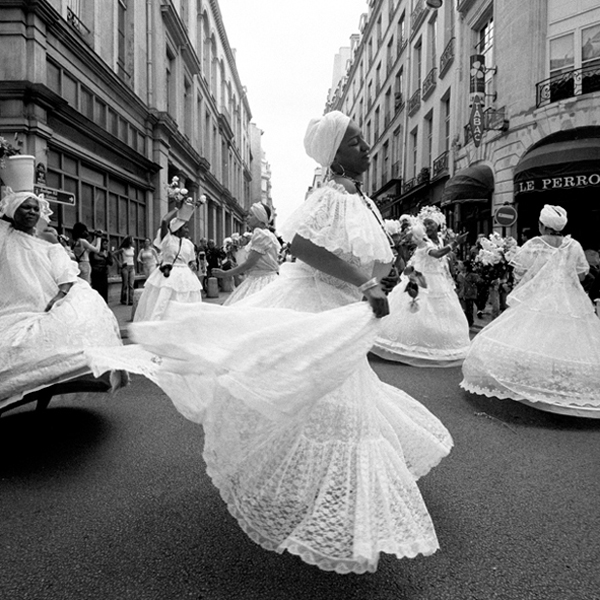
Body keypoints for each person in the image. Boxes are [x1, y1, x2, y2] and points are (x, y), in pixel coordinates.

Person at [96, 111, 452, 574]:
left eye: (364, 141)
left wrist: (388, 278)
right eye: (355, 143)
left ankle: (321, 489)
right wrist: (365, 285)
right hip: (321, 303)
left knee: (327, 393)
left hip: (344, 307)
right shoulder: (333, 194)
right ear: (334, 156)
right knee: (328, 394)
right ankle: (336, 505)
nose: (366, 148)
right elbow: (304, 246)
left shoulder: (356, 195)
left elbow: (360, 253)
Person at [461, 205, 600, 416]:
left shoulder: (535, 244)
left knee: (531, 335)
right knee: (566, 340)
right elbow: (581, 275)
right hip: (570, 299)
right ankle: (560, 383)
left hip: (539, 296)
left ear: (542, 225)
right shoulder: (574, 245)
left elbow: (520, 271)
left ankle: (532, 380)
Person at [0, 190, 125, 407]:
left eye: (35, 207)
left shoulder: (46, 236)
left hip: (47, 299)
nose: (31, 211)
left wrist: (61, 294)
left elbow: (63, 269)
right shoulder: (4, 235)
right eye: (25, 207)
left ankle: (42, 404)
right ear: (13, 210)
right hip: (14, 303)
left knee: (58, 345)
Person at [371, 206, 471, 367]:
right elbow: (436, 254)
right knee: (416, 310)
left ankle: (439, 344)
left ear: (438, 225)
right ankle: (410, 345)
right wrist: (455, 243)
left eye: (431, 223)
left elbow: (443, 261)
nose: (428, 226)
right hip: (421, 279)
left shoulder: (440, 240)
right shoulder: (422, 240)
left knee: (441, 313)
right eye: (426, 223)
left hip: (438, 281)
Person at [133, 210, 203, 322]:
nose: (187, 230)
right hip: (169, 273)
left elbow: (191, 260)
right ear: (178, 229)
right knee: (164, 300)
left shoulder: (188, 243)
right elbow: (165, 221)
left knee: (186, 301)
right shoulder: (168, 239)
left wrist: (193, 264)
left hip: (186, 276)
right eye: (185, 227)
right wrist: (178, 209)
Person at [212, 202, 281, 305]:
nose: (247, 218)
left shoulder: (261, 234)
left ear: (259, 217)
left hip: (261, 280)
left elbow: (249, 263)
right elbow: (255, 263)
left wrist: (225, 273)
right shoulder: (266, 234)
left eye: (251, 215)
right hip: (262, 278)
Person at [90, 237, 114, 303]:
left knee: (103, 291)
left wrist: (105, 257)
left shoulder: (107, 253)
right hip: (95, 274)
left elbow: (111, 262)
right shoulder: (93, 253)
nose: (106, 246)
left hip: (103, 274)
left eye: (107, 244)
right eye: (104, 244)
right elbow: (91, 262)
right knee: (96, 290)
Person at [114, 236, 136, 305]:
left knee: (131, 284)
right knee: (125, 284)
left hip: (132, 267)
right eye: (132, 240)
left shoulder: (133, 249)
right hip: (125, 266)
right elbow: (113, 254)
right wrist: (119, 263)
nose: (133, 241)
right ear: (129, 241)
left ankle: (131, 300)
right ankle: (123, 300)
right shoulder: (123, 249)